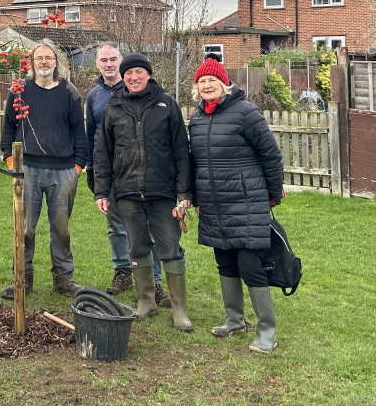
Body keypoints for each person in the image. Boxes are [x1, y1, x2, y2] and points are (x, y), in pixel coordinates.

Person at [188, 54, 285, 353]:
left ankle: (267, 331)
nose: (207, 85)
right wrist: (197, 197)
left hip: (247, 200)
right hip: (214, 204)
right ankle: (234, 319)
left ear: (224, 84)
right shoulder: (197, 118)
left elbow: (271, 154)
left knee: (250, 264)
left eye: (212, 81)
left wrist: (273, 193)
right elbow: (196, 163)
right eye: (202, 81)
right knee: (225, 262)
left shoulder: (246, 112)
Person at [94, 53, 194, 331]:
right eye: (129, 74)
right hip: (126, 192)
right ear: (123, 77)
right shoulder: (113, 108)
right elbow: (103, 153)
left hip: (162, 192)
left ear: (148, 74)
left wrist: (184, 191)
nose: (134, 77)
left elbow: (181, 151)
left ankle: (179, 309)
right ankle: (145, 302)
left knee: (170, 249)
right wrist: (102, 190)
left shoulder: (166, 105)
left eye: (139, 72)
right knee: (136, 247)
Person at [0, 39, 87, 298]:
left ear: (56, 62)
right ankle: (22, 279)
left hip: (63, 171)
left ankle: (63, 279)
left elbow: (78, 132)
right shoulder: (19, 91)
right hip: (28, 169)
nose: (44, 62)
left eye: (49, 58)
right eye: (39, 58)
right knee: (25, 228)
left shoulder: (69, 91)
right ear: (32, 62)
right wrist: (10, 160)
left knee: (60, 228)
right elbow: (7, 130)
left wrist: (78, 167)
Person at [86, 43, 168, 305]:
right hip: (109, 170)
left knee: (147, 228)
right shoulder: (94, 96)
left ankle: (154, 280)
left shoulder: (134, 89)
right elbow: (91, 137)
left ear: (120, 62)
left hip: (140, 170)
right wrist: (94, 172)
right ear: (97, 64)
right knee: (115, 226)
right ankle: (123, 272)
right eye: (103, 60)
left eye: (113, 59)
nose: (108, 64)